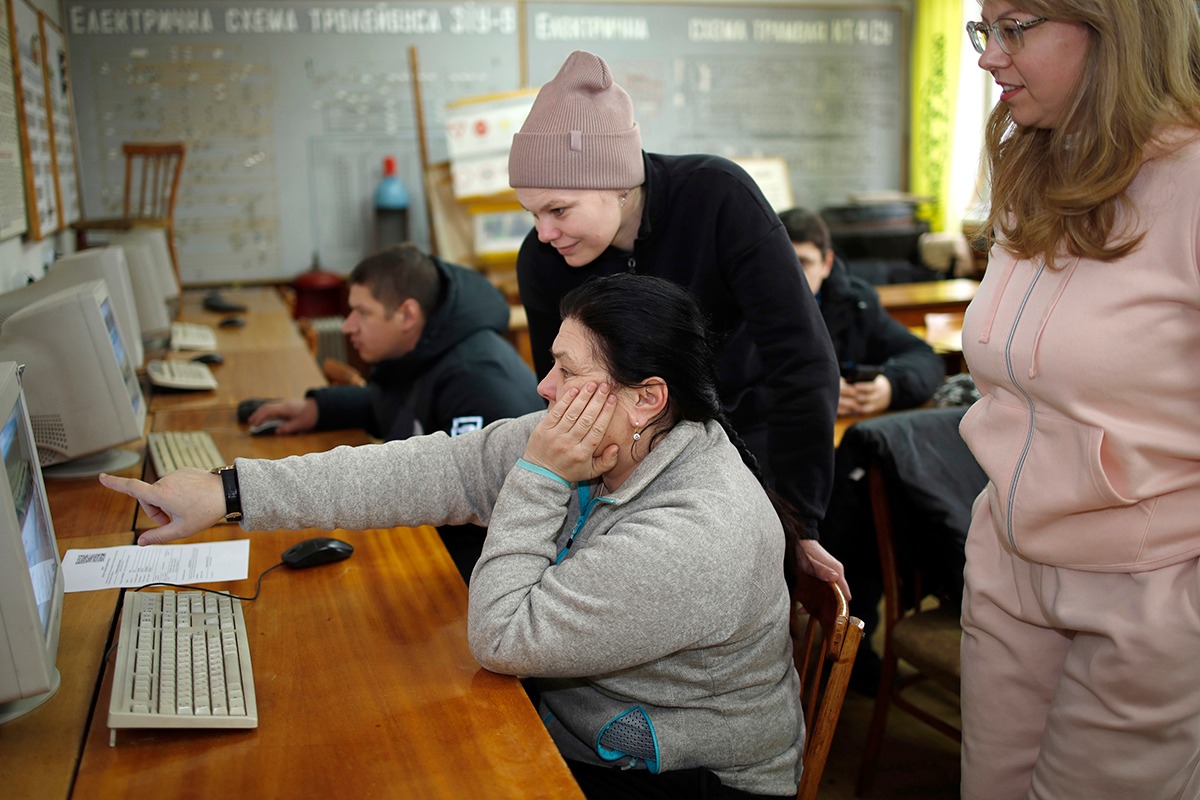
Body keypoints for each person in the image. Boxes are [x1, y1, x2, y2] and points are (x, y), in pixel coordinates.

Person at [101, 274, 810, 799]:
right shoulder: (609, 438)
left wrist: (538, 477)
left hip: (684, 775)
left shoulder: (693, 534)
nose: (544, 387)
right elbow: (436, 468)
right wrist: (230, 492)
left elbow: (503, 638)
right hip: (582, 724)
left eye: (567, 371)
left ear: (647, 398)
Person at [958, 2, 1200, 798]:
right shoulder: (1034, 168)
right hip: (1007, 565)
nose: (990, 55)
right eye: (984, 29)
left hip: (1146, 589)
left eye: (1015, 27)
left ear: (1115, 29)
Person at [508, 50, 847, 596]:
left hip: (750, 452)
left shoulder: (718, 198)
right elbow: (562, 397)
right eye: (533, 214)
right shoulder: (543, 259)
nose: (544, 233)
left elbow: (802, 361)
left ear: (618, 182)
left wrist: (799, 519)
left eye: (559, 210)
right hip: (626, 470)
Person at [247, 244, 545, 579]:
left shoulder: (477, 383)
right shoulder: (424, 349)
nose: (348, 326)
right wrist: (319, 408)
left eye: (362, 312)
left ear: (407, 315)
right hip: (437, 544)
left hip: (474, 571)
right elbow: (398, 408)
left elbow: (473, 501)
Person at [779, 206, 945, 416]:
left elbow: (923, 357)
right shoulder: (744, 311)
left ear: (826, 264)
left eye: (803, 263)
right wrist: (810, 395)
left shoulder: (856, 303)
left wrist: (890, 387)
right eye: (782, 263)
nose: (792, 275)